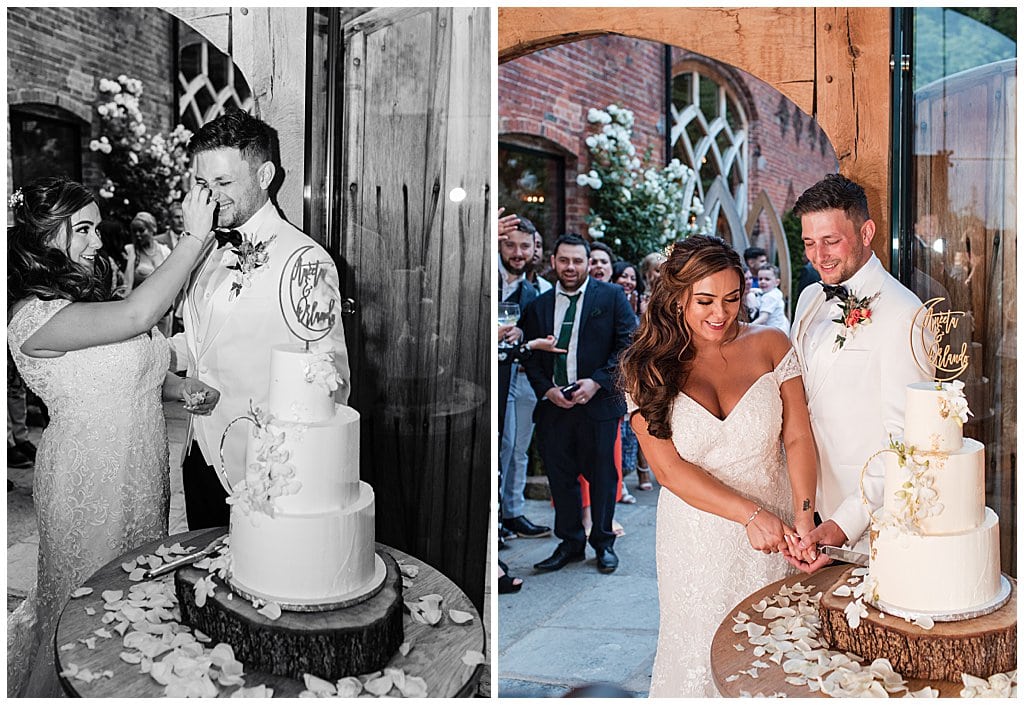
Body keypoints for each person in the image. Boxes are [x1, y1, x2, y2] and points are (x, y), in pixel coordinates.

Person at [6, 176, 221, 696]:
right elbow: (138, 316)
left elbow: (130, 360)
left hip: (144, 469)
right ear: (41, 239)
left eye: (97, 229)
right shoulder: (32, 317)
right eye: (82, 230)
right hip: (86, 480)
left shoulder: (90, 297)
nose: (97, 242)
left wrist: (178, 387)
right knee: (86, 608)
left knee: (137, 594)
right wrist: (192, 239)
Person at [620, 234, 817, 696]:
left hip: (778, 531)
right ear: (675, 296)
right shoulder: (645, 366)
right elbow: (667, 470)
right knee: (698, 653)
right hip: (696, 536)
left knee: (776, 655)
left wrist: (805, 512)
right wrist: (750, 515)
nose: (720, 314)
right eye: (705, 300)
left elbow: (798, 436)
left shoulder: (771, 343)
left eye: (732, 299)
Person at [169, 110, 351, 530]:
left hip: (265, 472)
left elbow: (332, 380)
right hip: (199, 455)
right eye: (202, 184)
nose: (211, 197)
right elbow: (204, 340)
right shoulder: (205, 247)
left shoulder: (305, 260)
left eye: (224, 182)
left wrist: (297, 471)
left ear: (265, 174)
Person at [786, 174, 931, 572]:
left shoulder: (906, 315)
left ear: (866, 231)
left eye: (831, 241)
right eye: (809, 243)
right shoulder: (809, 298)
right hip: (805, 511)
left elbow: (907, 444)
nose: (819, 255)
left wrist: (841, 524)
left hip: (867, 527)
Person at [520, 233, 637, 574]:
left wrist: (597, 382)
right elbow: (529, 355)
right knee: (561, 478)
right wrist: (547, 390)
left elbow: (628, 346)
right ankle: (569, 543)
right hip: (555, 406)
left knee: (602, 476)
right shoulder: (538, 305)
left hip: (598, 405)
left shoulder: (612, 297)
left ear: (588, 263)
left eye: (577, 260)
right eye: (564, 260)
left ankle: (603, 543)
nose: (570, 267)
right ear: (553, 262)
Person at [496, 215, 551, 540]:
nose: (518, 252)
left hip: (522, 375)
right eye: (510, 244)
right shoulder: (492, 277)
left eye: (524, 246)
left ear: (534, 250)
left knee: (517, 448)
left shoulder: (533, 292)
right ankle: (499, 517)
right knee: (502, 445)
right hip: (496, 376)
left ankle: (513, 512)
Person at [753, 264, 790, 334]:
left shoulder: (769, 297)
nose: (763, 281)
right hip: (782, 327)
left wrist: (749, 327)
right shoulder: (775, 292)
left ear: (777, 282)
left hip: (773, 332)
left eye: (767, 279)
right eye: (760, 279)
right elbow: (761, 291)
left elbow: (763, 318)